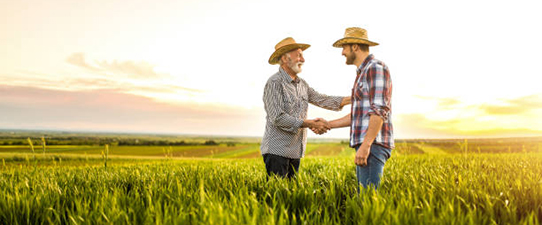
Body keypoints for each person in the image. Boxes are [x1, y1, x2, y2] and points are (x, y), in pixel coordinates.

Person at [261, 37, 350, 179]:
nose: (303, 59)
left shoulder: (302, 84)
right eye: (299, 55)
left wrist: (353, 98)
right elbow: (277, 117)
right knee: (277, 197)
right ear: (285, 58)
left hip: (295, 151)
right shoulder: (274, 83)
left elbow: (322, 99)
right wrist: (308, 123)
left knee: (291, 197)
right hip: (276, 151)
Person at [327, 27, 394, 189]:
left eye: (344, 47)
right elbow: (357, 116)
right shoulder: (363, 73)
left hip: (373, 146)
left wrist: (366, 145)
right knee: (364, 201)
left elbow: (379, 110)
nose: (342, 52)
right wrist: (328, 124)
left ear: (355, 47)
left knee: (367, 201)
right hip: (368, 145)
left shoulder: (375, 68)